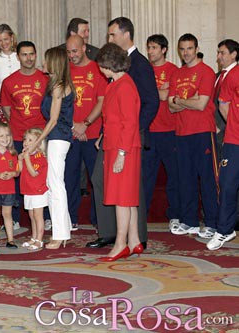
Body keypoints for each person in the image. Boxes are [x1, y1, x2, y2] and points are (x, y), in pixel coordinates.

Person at [87, 17, 158, 249]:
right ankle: (129, 237)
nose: (109, 38)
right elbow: (114, 114)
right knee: (116, 188)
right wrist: (106, 134)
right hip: (117, 138)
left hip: (126, 141)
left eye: (112, 34)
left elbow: (149, 103)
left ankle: (123, 239)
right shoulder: (115, 82)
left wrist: (130, 139)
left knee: (125, 193)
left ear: (126, 34)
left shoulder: (137, 67)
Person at [168, 33, 219, 239]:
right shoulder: (177, 74)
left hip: (203, 132)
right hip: (182, 133)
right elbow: (171, 108)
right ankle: (189, 221)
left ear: (196, 48)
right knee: (185, 178)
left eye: (189, 48)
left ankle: (212, 223)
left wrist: (180, 100)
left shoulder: (206, 72)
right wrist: (186, 101)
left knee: (207, 178)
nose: (186, 53)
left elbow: (202, 104)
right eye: (182, 49)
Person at [96, 43, 143, 261]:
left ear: (109, 64)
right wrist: (103, 136)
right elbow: (113, 119)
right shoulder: (115, 84)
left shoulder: (124, 86)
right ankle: (134, 241)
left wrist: (122, 154)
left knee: (122, 198)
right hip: (115, 144)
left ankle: (120, 243)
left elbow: (130, 123)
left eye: (101, 65)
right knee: (128, 198)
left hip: (123, 147)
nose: (100, 69)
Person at [24, 46, 74, 249]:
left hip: (58, 137)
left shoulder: (58, 86)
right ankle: (65, 229)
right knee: (54, 182)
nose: (42, 63)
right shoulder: (55, 84)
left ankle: (60, 234)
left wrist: (37, 141)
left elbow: (53, 120)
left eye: (46, 60)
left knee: (55, 184)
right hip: (57, 137)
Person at [0, 40, 48, 229]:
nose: (28, 58)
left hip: (41, 138)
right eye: (24, 54)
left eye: (32, 54)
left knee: (41, 176)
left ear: (36, 55)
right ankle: (17, 218)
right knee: (18, 177)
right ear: (18, 57)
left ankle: (45, 217)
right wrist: (18, 126)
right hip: (18, 136)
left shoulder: (45, 79)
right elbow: (6, 108)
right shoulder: (9, 81)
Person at [65, 34, 106, 231]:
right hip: (71, 133)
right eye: (68, 51)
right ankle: (70, 218)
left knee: (96, 179)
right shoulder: (65, 71)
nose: (71, 55)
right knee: (69, 178)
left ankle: (99, 219)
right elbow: (61, 102)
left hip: (92, 133)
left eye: (74, 51)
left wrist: (86, 123)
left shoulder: (98, 69)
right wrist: (74, 125)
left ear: (84, 49)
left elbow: (102, 100)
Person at [144, 34, 180, 231]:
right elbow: (147, 95)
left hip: (169, 130)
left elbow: (168, 96)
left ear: (164, 49)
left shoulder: (173, 70)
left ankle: (175, 214)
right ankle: (143, 214)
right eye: (149, 47)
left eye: (154, 47)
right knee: (146, 176)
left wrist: (154, 92)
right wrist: (159, 91)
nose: (150, 51)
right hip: (149, 130)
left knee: (174, 175)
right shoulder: (145, 70)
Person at [209, 45, 239, 250]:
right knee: (228, 184)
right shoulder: (232, 75)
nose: (219, 57)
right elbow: (223, 105)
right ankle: (224, 230)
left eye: (222, 53)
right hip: (234, 141)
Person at [19, 128, 48, 251]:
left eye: (30, 140)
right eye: (25, 139)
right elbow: (21, 171)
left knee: (37, 215)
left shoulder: (39, 156)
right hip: (28, 189)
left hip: (38, 190)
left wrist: (26, 158)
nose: (26, 142)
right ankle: (34, 237)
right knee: (31, 215)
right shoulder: (28, 156)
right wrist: (20, 159)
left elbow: (33, 173)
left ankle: (39, 240)